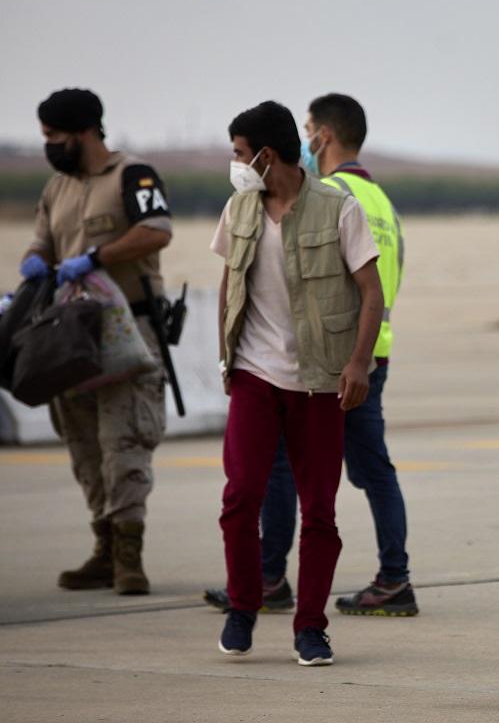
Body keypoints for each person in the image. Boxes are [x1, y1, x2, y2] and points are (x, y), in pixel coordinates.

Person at [202, 93, 413, 616]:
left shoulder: (331, 197)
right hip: (368, 354)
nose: (306, 138)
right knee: (371, 472)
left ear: (323, 136)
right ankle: (392, 576)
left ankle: (273, 577)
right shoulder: (381, 199)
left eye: (309, 128)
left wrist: (352, 357)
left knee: (284, 473)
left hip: (334, 363)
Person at [19, 88, 170, 596]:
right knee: (83, 446)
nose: (50, 146)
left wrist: (98, 258)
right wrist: (35, 260)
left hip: (129, 332)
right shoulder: (55, 187)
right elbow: (43, 240)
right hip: (71, 337)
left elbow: (156, 231)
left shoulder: (133, 175)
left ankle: (130, 556)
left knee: (123, 442)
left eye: (55, 137)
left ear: (83, 132)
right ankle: (104, 549)